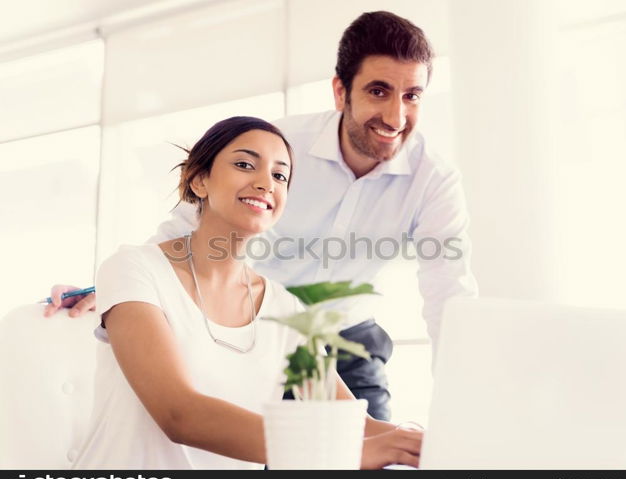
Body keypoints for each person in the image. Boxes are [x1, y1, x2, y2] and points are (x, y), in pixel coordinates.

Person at [47, 11, 478, 422]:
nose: (395, 116)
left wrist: (465, 400)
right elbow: (191, 223)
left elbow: (448, 295)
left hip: (346, 338)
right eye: (378, 91)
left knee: (373, 459)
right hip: (254, 331)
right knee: (253, 454)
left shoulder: (433, 180)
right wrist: (124, 287)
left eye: (412, 96)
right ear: (341, 92)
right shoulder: (279, 148)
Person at [71, 116, 422, 469]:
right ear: (200, 180)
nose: (265, 183)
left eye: (279, 175)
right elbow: (178, 413)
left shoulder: (286, 309)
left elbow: (354, 425)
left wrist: (420, 440)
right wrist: (350, 452)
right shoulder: (135, 268)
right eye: (244, 164)